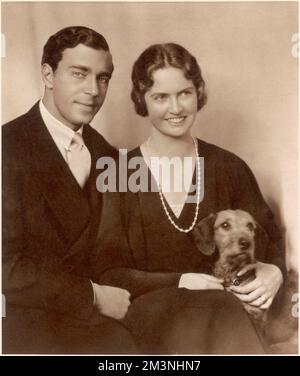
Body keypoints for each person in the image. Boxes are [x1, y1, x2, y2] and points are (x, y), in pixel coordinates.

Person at [96, 43, 286, 354]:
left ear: (198, 92)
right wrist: (181, 280)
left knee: (223, 307)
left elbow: (271, 240)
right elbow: (107, 273)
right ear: (141, 100)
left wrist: (274, 271)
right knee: (218, 307)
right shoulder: (119, 173)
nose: (176, 108)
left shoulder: (228, 167)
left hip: (225, 310)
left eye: (184, 93)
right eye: (160, 97)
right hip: (151, 312)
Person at [2, 26, 137, 354]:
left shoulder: (103, 151)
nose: (93, 90)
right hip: (26, 322)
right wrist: (91, 296)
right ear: (48, 75)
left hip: (101, 317)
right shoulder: (6, 147)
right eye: (80, 74)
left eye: (103, 78)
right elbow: (4, 266)